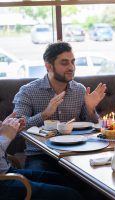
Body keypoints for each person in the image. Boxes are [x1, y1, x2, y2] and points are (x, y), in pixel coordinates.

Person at [13, 41, 107, 171]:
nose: (71, 67)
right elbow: (16, 128)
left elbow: (94, 127)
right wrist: (45, 114)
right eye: (64, 63)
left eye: (73, 62)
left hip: (75, 153)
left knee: (95, 183)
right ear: (49, 66)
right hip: (41, 156)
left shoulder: (79, 90)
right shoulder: (28, 91)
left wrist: (91, 109)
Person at [0, 112, 83, 200]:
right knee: (70, 195)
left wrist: (4, 129)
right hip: (3, 183)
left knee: (61, 179)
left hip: (6, 171)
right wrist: (5, 137)